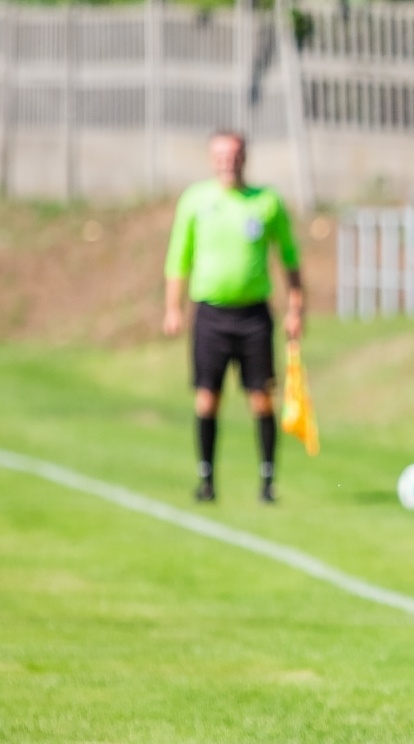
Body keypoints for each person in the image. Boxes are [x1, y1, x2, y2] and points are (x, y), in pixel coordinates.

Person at [163, 130, 303, 504]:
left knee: (261, 399)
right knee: (207, 398)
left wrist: (296, 306)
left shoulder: (266, 202)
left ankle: (267, 483)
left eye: (235, 154)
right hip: (210, 314)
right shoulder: (196, 200)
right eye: (222, 154)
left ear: (245, 157)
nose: (229, 161)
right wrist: (172, 307)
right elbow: (179, 256)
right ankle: (206, 480)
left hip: (254, 316)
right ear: (212, 158)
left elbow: (289, 257)